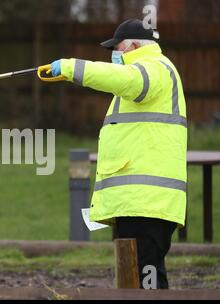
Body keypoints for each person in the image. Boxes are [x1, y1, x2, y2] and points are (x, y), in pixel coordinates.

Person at [49, 19, 187, 289]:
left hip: (147, 202)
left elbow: (125, 80)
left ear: (134, 46)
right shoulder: (149, 71)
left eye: (118, 47)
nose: (114, 54)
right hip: (137, 202)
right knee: (134, 277)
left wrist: (71, 67)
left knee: (146, 280)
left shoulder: (154, 69)